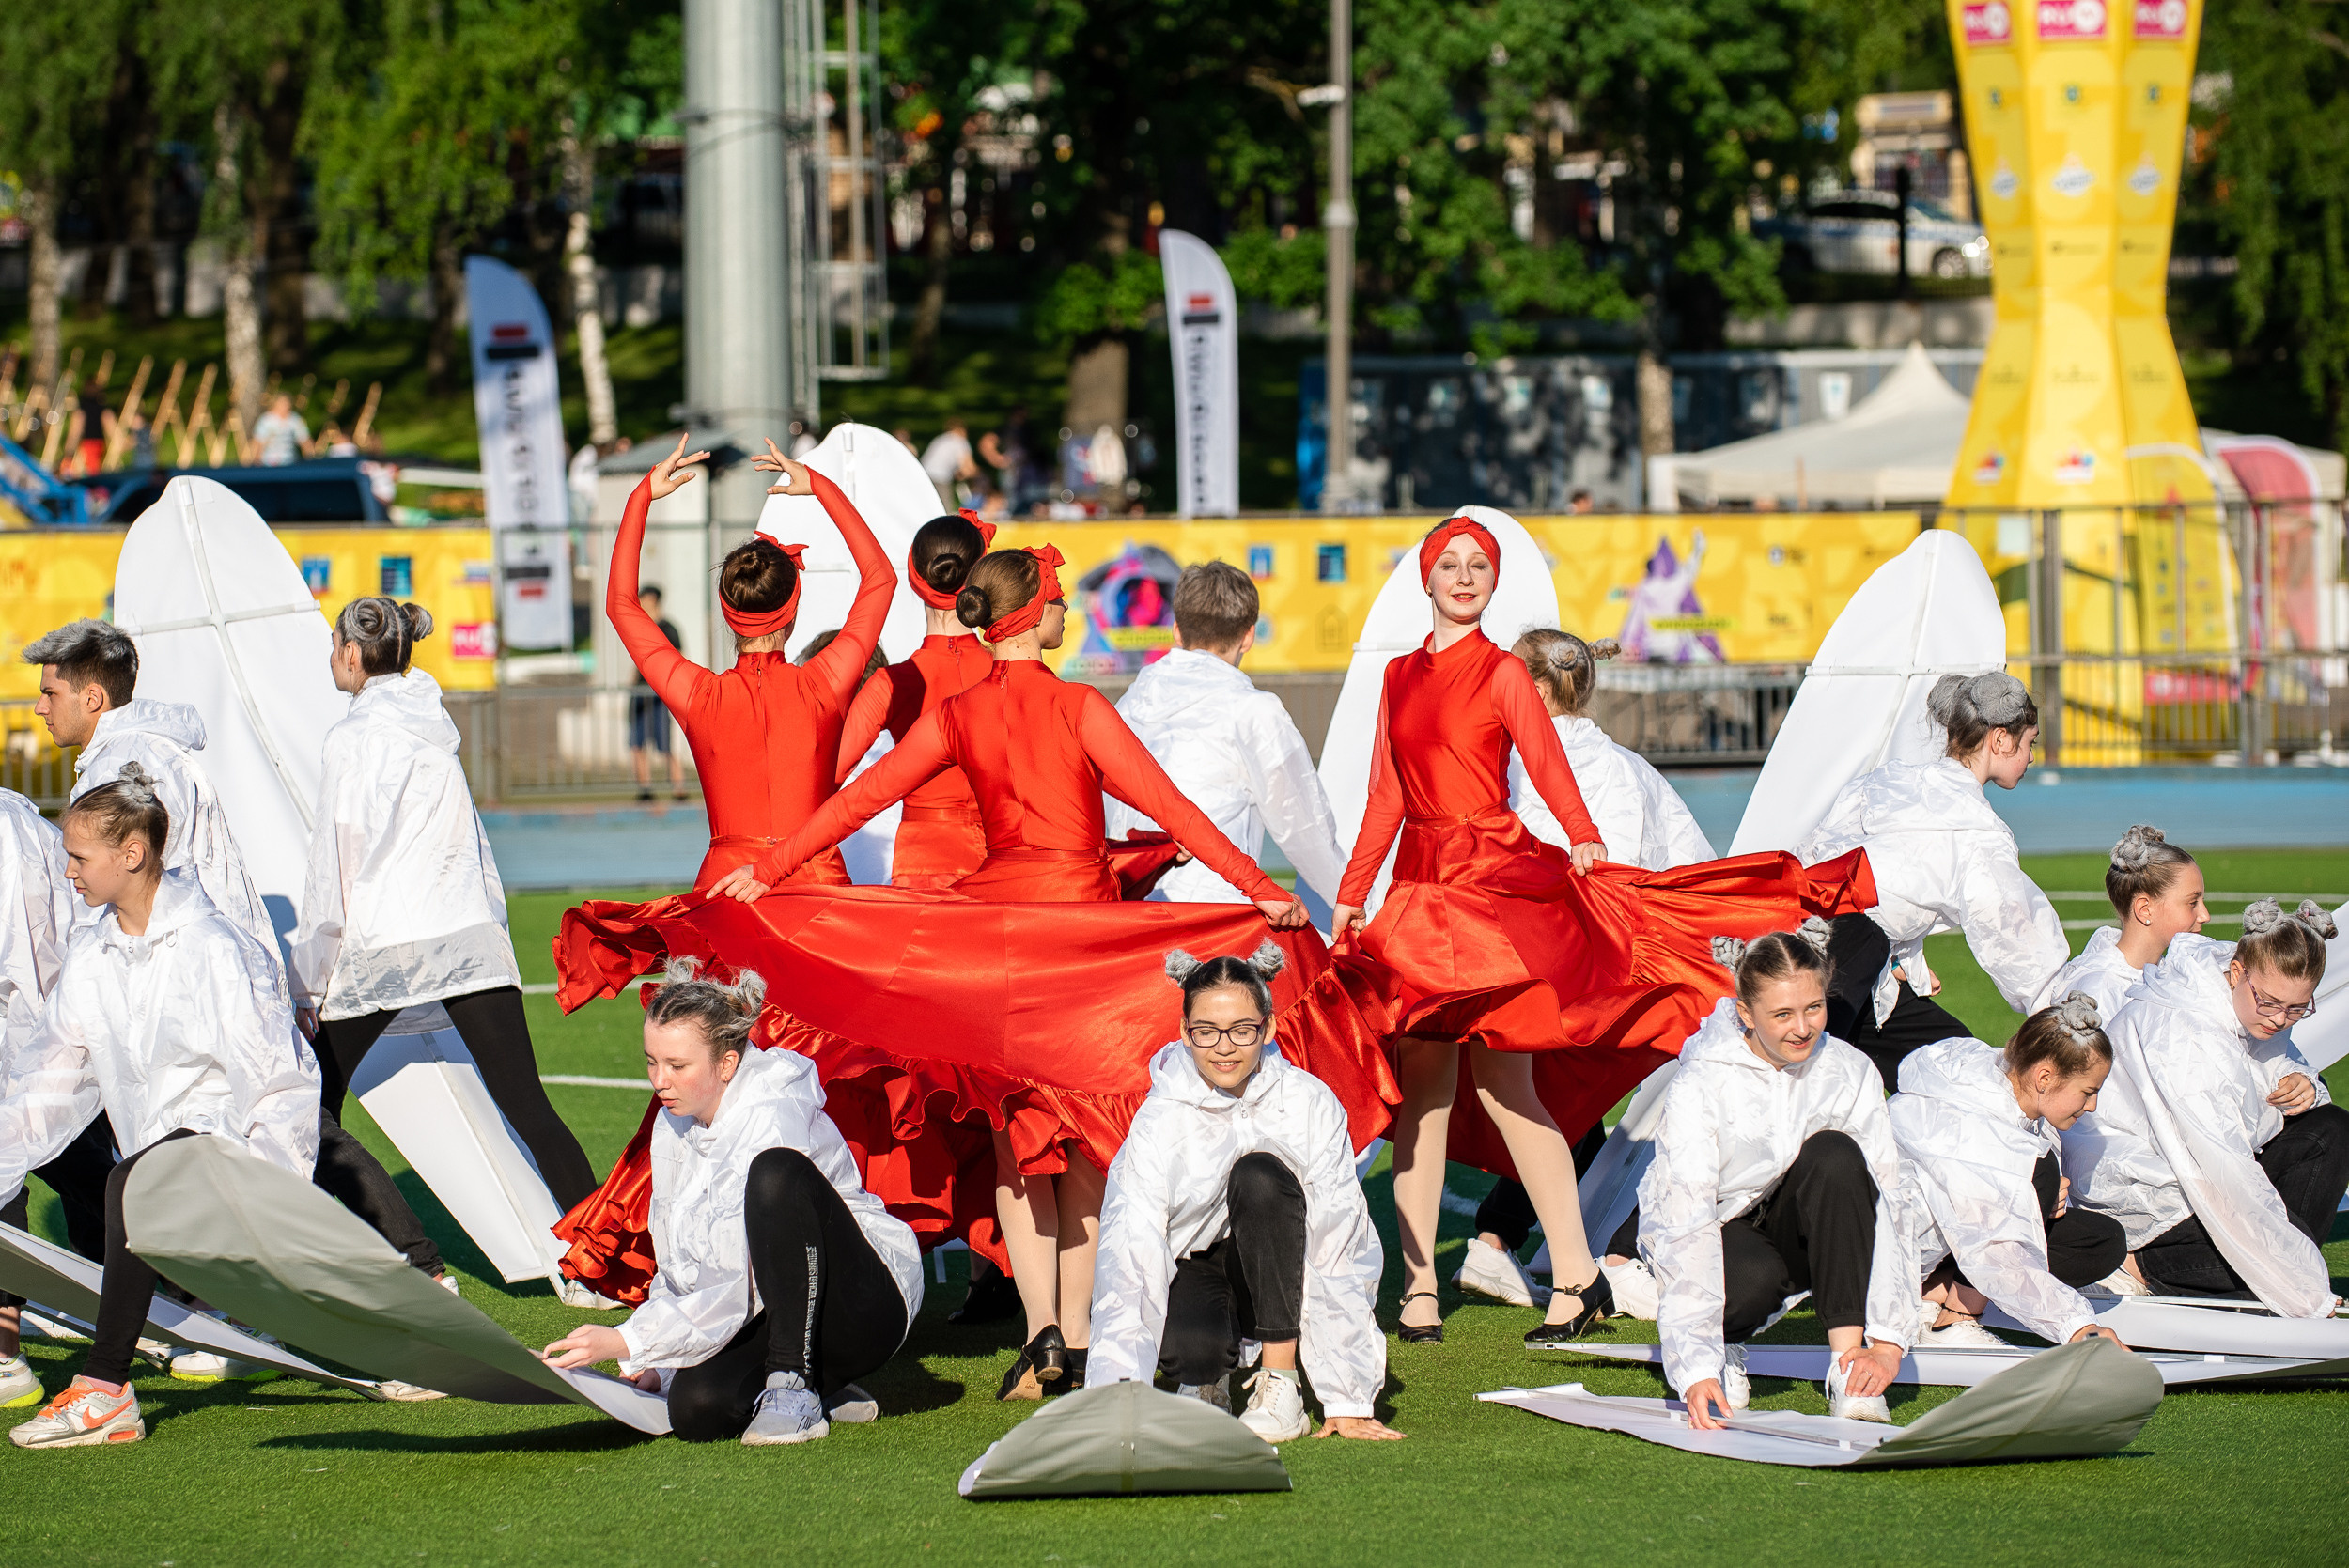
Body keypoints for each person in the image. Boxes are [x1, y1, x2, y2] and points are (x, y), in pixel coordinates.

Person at [715, 544, 1310, 1400]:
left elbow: (860, 797)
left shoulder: (959, 713)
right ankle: (1087, 1322)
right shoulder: (1077, 704)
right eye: (1061, 598)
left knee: (1016, 1139)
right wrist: (1260, 888)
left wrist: (771, 868)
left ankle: (1044, 1336)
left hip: (996, 937)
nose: (1068, 608)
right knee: (1086, 1145)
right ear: (1033, 615)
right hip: (1078, 938)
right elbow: (1172, 807)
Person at [1329, 516, 1871, 1348]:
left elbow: (1544, 759)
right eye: (1451, 564)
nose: (1465, 576)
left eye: (1480, 565)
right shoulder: (1399, 676)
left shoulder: (1506, 671)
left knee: (1509, 1091)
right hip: (1419, 889)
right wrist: (1352, 891)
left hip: (1490, 885)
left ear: (1492, 579)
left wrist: (1581, 833)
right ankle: (1420, 1289)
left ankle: (1576, 1278)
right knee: (1424, 1096)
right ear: (1427, 577)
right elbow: (1383, 795)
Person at [25, 619, 456, 1316]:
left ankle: (412, 1267)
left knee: (281, 1127)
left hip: (190, 972)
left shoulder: (128, 766)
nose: (40, 707)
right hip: (187, 965)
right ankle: (180, 1297)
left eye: (50, 692)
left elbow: (145, 882)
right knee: (189, 1136)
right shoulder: (139, 753)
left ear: (94, 697)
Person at [0, 769, 321, 1449]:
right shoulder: (93, 951)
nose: (65, 872)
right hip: (160, 1169)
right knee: (133, 1175)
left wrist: (278, 1194)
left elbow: (279, 1082)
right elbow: (48, 1080)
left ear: (132, 853)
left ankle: (106, 1386)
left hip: (229, 1159)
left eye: (79, 856)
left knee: (132, 1179)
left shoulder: (212, 948)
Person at [291, 598, 599, 1220]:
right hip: (465, 936)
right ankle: (610, 1258)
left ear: (352, 653)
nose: (331, 656)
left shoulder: (351, 738)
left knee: (309, 1105)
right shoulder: (435, 727)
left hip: (387, 945)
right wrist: (492, 933)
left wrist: (310, 977)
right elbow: (474, 849)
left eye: (333, 645)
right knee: (529, 1105)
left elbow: (335, 862)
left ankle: (385, 1250)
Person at [543, 960, 923, 1445]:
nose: (660, 1080)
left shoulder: (771, 1110)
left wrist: (628, 1340)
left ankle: (795, 1385)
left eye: (678, 1066)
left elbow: (736, 1285)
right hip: (779, 1303)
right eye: (651, 1061)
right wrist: (657, 1363)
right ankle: (826, 1383)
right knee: (696, 1409)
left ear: (727, 1063)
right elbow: (681, 1262)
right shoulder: (674, 1120)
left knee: (774, 1173)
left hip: (866, 1302)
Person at [1460, 626, 1719, 1308]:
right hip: (1600, 965)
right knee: (1567, 1101)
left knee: (1556, 1101)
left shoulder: (1506, 766)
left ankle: (1507, 1239)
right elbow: (1685, 864)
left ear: (1536, 690)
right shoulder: (1625, 769)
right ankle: (1564, 1245)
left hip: (1515, 958)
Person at [1089, 944, 1399, 1444]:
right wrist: (1116, 1395)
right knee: (1192, 1350)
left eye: (1242, 1030)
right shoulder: (1160, 1118)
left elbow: (1337, 1240)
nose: (1224, 1047)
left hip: (1283, 1271)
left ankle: (1281, 1383)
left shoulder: (1308, 1102)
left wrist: (1347, 1396)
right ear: (1184, 1033)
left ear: (1269, 1028)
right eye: (1206, 1031)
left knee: (1259, 1175)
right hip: (1200, 1265)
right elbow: (1130, 1249)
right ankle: (1209, 1383)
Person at [1630, 924, 1913, 1428]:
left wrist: (1889, 1341)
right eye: (1781, 1014)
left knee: (1836, 1154)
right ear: (1746, 1014)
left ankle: (1848, 1368)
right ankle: (1726, 1342)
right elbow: (1686, 1219)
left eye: (1814, 1008)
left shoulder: (1851, 1071)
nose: (1802, 1028)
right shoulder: (1704, 1080)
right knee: (1749, 1281)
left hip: (1802, 1224)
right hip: (1720, 1230)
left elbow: (1888, 1200)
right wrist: (1695, 1364)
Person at [604, 431, 894, 890]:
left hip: (726, 887)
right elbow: (880, 578)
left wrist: (640, 499)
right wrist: (821, 486)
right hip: (815, 883)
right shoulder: (825, 682)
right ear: (793, 608)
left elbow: (621, 604)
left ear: (726, 609)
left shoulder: (699, 695)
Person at [2064, 901, 2349, 1315]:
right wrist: (2296, 1275)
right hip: (2143, 1188)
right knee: (2278, 1270)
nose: (2279, 1020)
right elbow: (2221, 1165)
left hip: (2199, 1164)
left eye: (2297, 1009)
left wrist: (2302, 1083)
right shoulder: (2186, 1034)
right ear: (2237, 973)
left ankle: (2275, 1273)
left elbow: (2270, 1064)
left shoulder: (2251, 996)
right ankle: (2128, 1266)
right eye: (2270, 1003)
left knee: (2332, 1127)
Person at [1797, 671, 2069, 1092]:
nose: (2031, 756)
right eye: (2029, 742)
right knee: (1813, 1088)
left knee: (1958, 1067)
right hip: (1843, 965)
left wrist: (1904, 961)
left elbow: (1836, 862)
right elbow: (2015, 937)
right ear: (2000, 741)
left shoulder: (1886, 779)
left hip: (1815, 944)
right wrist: (2068, 1014)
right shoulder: (1979, 832)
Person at [1104, 561, 1349, 913]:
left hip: (1134, 912)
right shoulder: (1253, 712)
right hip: (1215, 919)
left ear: (1176, 631)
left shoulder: (1125, 708)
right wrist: (1354, 902)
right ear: (1249, 635)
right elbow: (1303, 825)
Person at [1887, 998, 2131, 1350]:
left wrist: (2037, 1203)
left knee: (2101, 1240)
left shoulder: (2012, 1092)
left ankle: (1934, 1290)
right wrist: (2078, 1328)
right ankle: (1955, 1320)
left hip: (1945, 1241)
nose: (2091, 1106)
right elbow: (1994, 1246)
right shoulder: (1969, 1124)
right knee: (2039, 1177)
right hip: (1889, 1255)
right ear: (2044, 1077)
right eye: (2088, 1092)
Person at [832, 511, 997, 890]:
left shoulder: (892, 682)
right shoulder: (1010, 672)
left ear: (914, 577)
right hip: (1002, 856)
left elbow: (829, 773)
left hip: (922, 860)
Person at [0, 786, 86, 1413]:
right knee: (80, 1169)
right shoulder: (17, 821)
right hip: (42, 1032)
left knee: (13, 1173)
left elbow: (28, 958)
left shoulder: (9, 828)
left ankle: (4, 1347)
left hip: (30, 1032)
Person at [2048, 825, 2209, 1017]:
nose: (2205, 916)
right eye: (2192, 903)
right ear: (2144, 910)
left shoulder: (2170, 974)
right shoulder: (2100, 991)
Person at [627, 584, 688, 802]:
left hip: (659, 696)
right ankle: (645, 788)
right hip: (640, 695)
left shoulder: (668, 628)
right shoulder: (642, 627)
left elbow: (679, 658)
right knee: (637, 744)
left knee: (665, 745)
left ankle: (679, 787)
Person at [920, 421, 976, 510]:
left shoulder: (939, 439)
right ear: (962, 430)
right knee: (945, 509)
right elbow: (968, 468)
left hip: (923, 474)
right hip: (940, 477)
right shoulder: (960, 441)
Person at [251, 394, 310, 468]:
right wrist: (257, 461)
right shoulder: (266, 420)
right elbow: (258, 442)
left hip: (290, 461)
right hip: (268, 462)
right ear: (275, 404)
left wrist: (311, 459)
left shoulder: (295, 420)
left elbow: (305, 441)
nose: (285, 407)